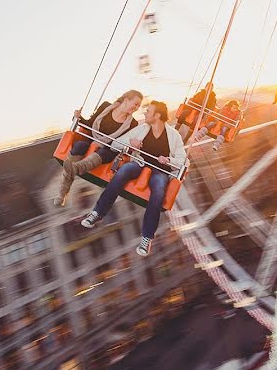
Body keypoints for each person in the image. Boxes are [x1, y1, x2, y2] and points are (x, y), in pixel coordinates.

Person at [80, 101, 186, 257]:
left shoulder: (173, 136)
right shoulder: (142, 129)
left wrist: (169, 161)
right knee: (122, 172)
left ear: (157, 115)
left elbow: (183, 160)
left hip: (160, 171)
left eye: (148, 111)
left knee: (158, 191)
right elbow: (116, 144)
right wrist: (130, 143)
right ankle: (97, 213)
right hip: (139, 164)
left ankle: (146, 237)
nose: (144, 113)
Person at [54, 90, 143, 207]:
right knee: (80, 145)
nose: (136, 108)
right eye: (135, 104)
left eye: (138, 106)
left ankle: (75, 168)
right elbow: (90, 124)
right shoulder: (106, 106)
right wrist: (78, 117)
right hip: (92, 139)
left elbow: (123, 143)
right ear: (126, 100)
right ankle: (62, 193)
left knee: (104, 152)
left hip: (109, 149)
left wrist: (133, 144)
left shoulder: (132, 124)